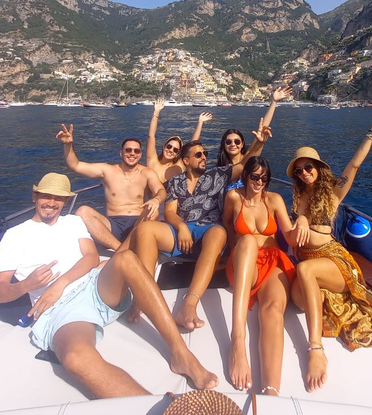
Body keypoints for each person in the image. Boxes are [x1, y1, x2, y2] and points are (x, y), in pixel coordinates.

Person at [0, 173, 218, 398]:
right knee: (75, 358)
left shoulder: (72, 222)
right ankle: (155, 408)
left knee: (126, 259)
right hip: (61, 310)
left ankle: (181, 353)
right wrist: (26, 285)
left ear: (66, 201)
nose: (51, 203)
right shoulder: (14, 236)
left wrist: (59, 284)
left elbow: (90, 257)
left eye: (58, 198)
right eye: (46, 196)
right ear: (34, 196)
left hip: (92, 285)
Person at [125, 119, 273, 331]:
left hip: (208, 231)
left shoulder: (217, 175)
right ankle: (143, 296)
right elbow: (169, 212)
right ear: (186, 160)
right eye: (198, 155)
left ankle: (189, 305)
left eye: (205, 154)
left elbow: (244, 164)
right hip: (182, 231)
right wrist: (181, 227)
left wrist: (258, 143)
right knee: (146, 229)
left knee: (218, 232)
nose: (204, 157)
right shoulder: (176, 182)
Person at [286, 118, 372, 393]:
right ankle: (323, 296)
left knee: (305, 272)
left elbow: (354, 165)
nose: (303, 172)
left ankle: (315, 349)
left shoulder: (334, 192)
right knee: (297, 301)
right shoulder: (298, 199)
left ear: (319, 168)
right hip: (309, 260)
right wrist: (298, 221)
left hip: (333, 259)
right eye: (298, 170)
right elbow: (297, 226)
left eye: (308, 167)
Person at [222, 157, 299, 396]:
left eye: (264, 178)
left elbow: (290, 235)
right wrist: (230, 257)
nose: (259, 182)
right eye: (255, 177)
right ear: (245, 176)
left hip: (272, 262)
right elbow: (227, 227)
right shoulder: (234, 198)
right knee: (246, 240)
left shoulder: (274, 200)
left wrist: (303, 220)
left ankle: (271, 389)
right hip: (245, 262)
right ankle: (237, 341)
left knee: (273, 309)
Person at [56, 126, 166, 252]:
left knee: (154, 211)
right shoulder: (107, 170)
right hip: (112, 225)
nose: (132, 154)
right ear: (121, 152)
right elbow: (75, 165)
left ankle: (121, 250)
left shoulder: (147, 173)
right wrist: (68, 145)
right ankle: (121, 250)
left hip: (138, 224)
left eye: (136, 151)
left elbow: (161, 191)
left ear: (140, 154)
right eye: (128, 150)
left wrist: (156, 200)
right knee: (82, 211)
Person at [147, 98, 213, 183]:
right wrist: (156, 112)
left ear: (178, 153)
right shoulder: (152, 162)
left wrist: (200, 122)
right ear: (164, 147)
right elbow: (151, 136)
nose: (171, 150)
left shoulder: (179, 167)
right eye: (169, 146)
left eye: (175, 150)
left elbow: (192, 145)